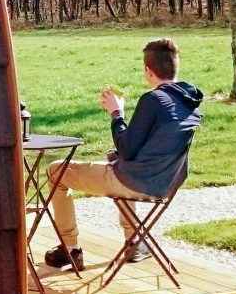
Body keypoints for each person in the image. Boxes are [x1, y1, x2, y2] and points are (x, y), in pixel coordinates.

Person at [44, 38, 203, 271]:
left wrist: (116, 113)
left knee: (55, 170)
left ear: (148, 71)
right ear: (175, 67)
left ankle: (69, 248)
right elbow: (139, 149)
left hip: (133, 182)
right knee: (117, 161)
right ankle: (135, 243)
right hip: (165, 184)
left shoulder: (153, 100)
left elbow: (127, 148)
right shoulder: (190, 101)